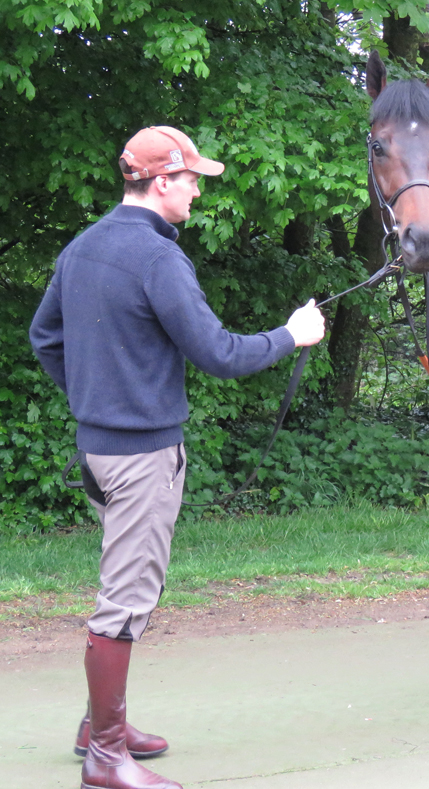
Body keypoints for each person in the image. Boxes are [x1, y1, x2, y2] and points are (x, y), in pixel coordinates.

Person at [29, 126, 326, 789]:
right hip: (140, 458)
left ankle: (98, 724)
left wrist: (93, 396)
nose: (198, 189)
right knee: (125, 601)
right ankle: (106, 757)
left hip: (97, 451)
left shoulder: (83, 247)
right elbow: (220, 353)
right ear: (160, 181)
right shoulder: (158, 259)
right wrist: (292, 334)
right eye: (192, 178)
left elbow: (43, 335)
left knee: (123, 588)